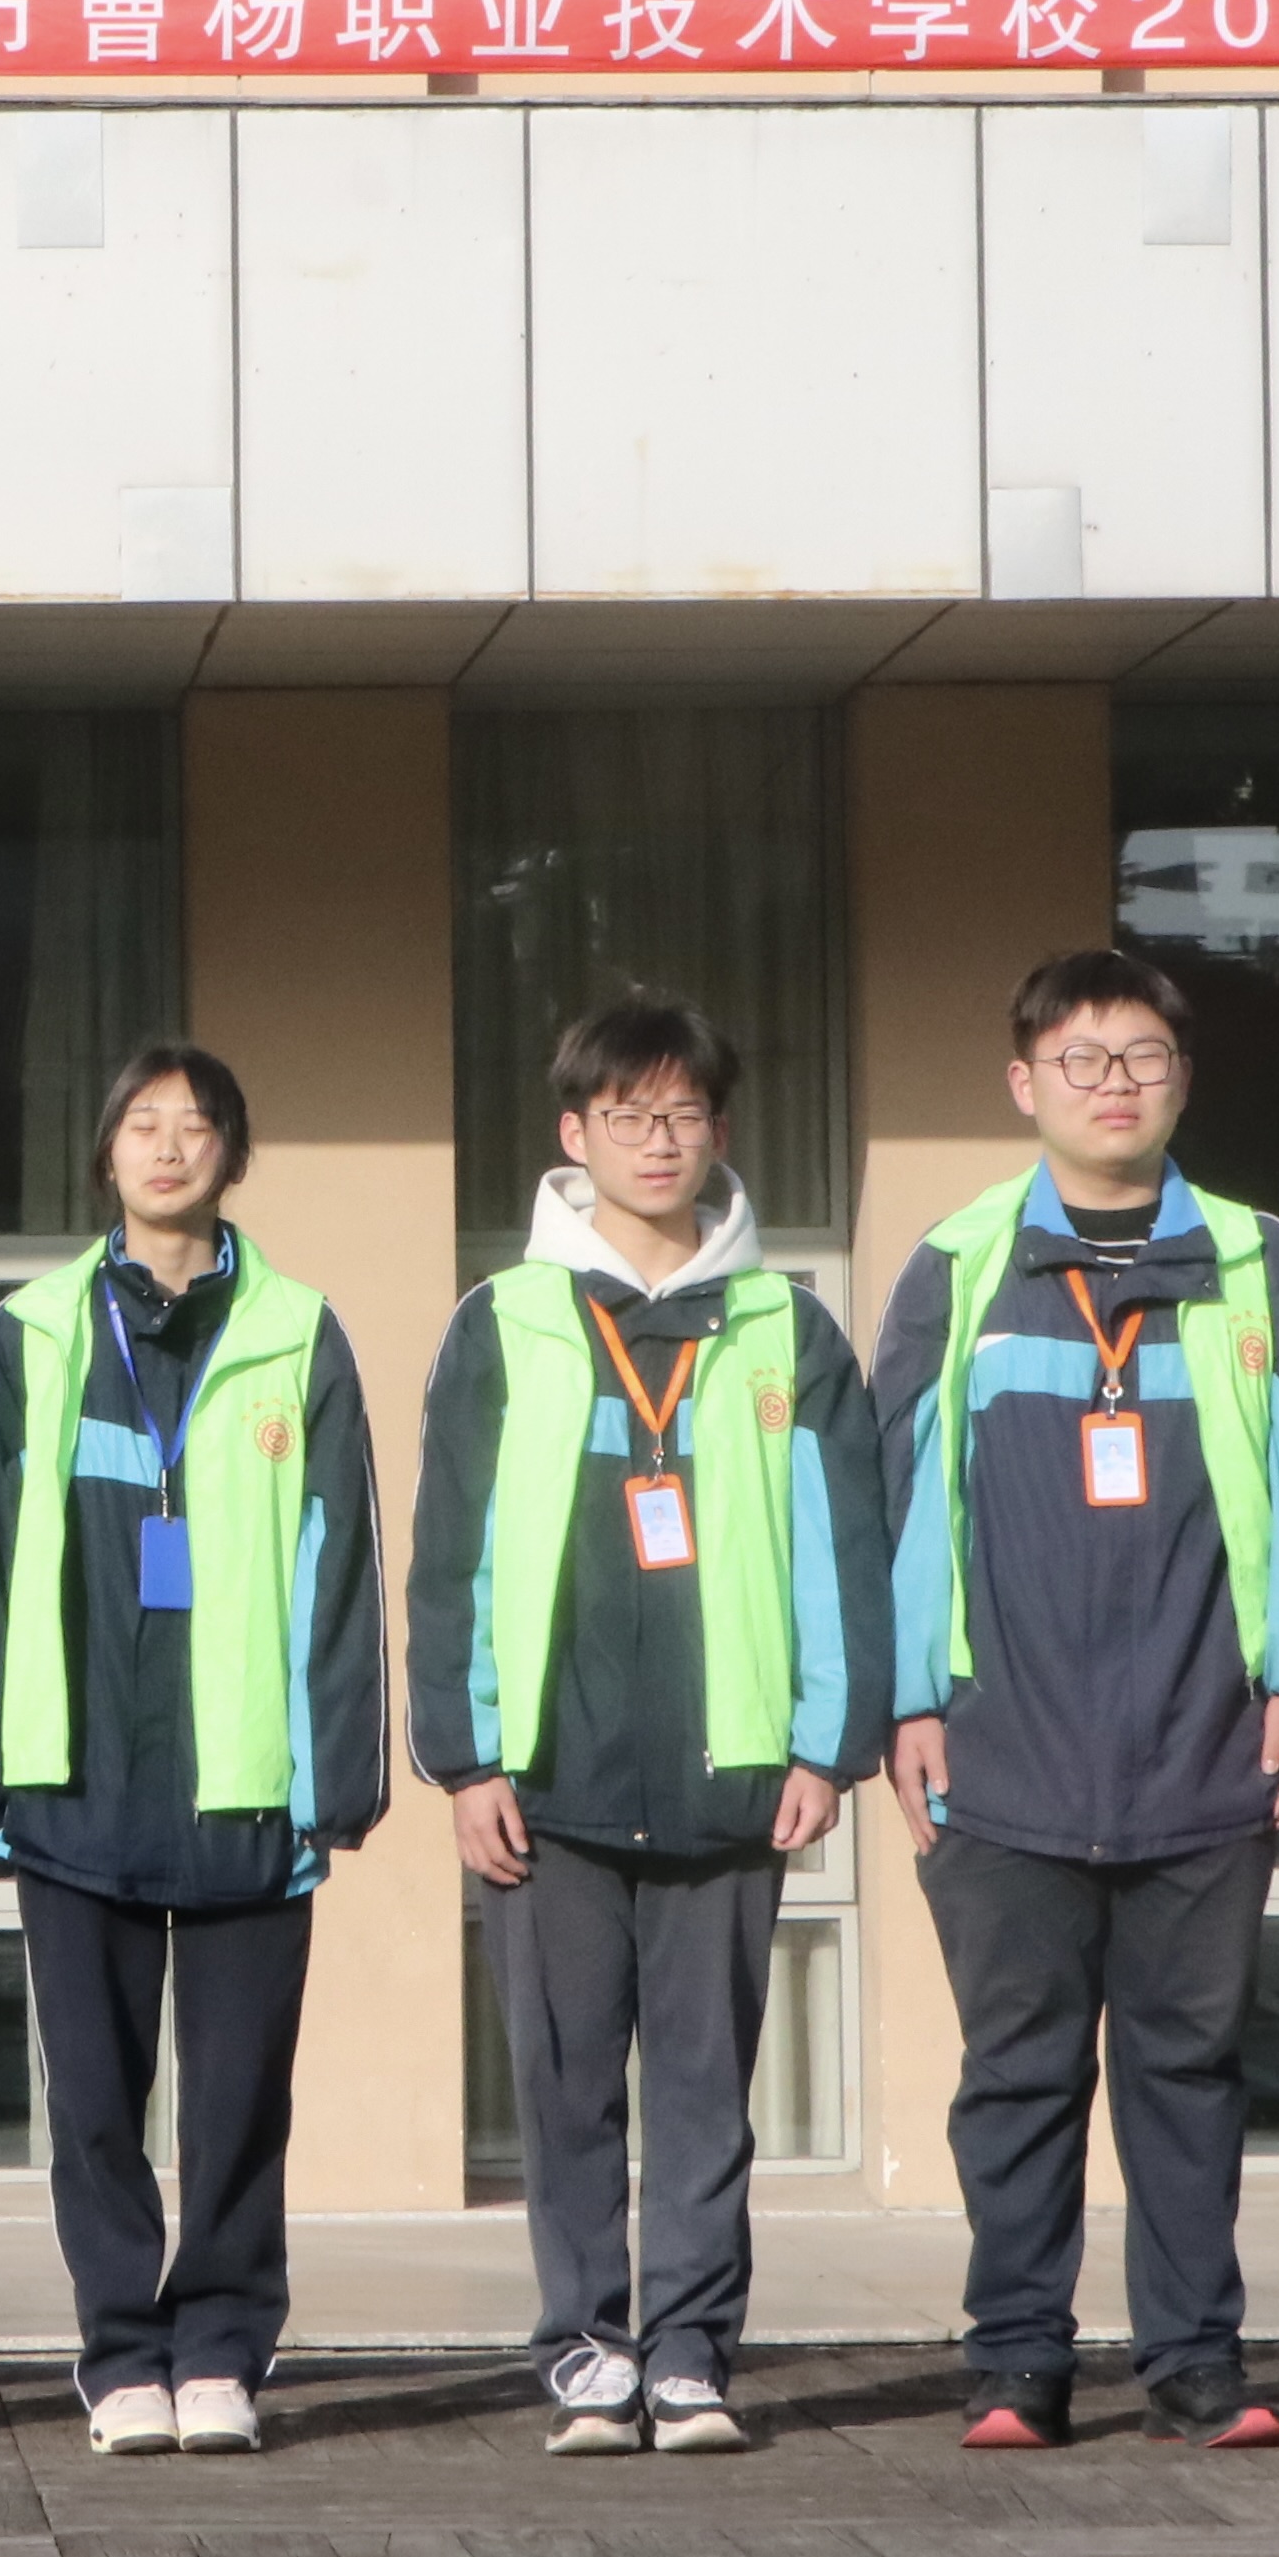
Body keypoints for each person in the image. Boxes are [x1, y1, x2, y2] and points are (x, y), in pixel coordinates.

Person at [874, 951, 1279, 2455]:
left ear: (1181, 1079)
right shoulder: (958, 1267)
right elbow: (895, 1499)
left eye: (1141, 1056)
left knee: (1188, 2070)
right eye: (1080, 1061)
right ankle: (1015, 2358)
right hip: (998, 1743)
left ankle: (1196, 2357)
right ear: (1024, 1085)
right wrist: (908, 1698)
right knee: (1013, 2072)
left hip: (1206, 1741)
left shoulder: (1256, 1263)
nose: (1114, 1083)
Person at [409, 999, 893, 2457]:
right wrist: (467, 1756)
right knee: (563, 2081)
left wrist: (827, 1743)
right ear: (575, 1138)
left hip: (731, 1768)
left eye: (683, 1114)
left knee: (703, 2083)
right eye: (627, 1115)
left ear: (721, 1134)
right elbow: (450, 1556)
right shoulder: (502, 1322)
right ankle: (583, 2344)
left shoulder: (785, 1326)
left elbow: (841, 1549)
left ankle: (687, 2350)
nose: (658, 1139)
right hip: (547, 1779)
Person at [0, 1045, 389, 2459]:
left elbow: (342, 1569)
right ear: (105, 1153)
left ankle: (221, 2349)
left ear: (231, 1155)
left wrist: (342, 1773)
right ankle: (121, 2353)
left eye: (194, 1126)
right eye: (141, 1122)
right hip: (76, 1776)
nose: (167, 1146)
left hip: (248, 1773)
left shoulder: (301, 1333)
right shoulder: (30, 1335)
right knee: (92, 2091)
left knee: (241, 2091)